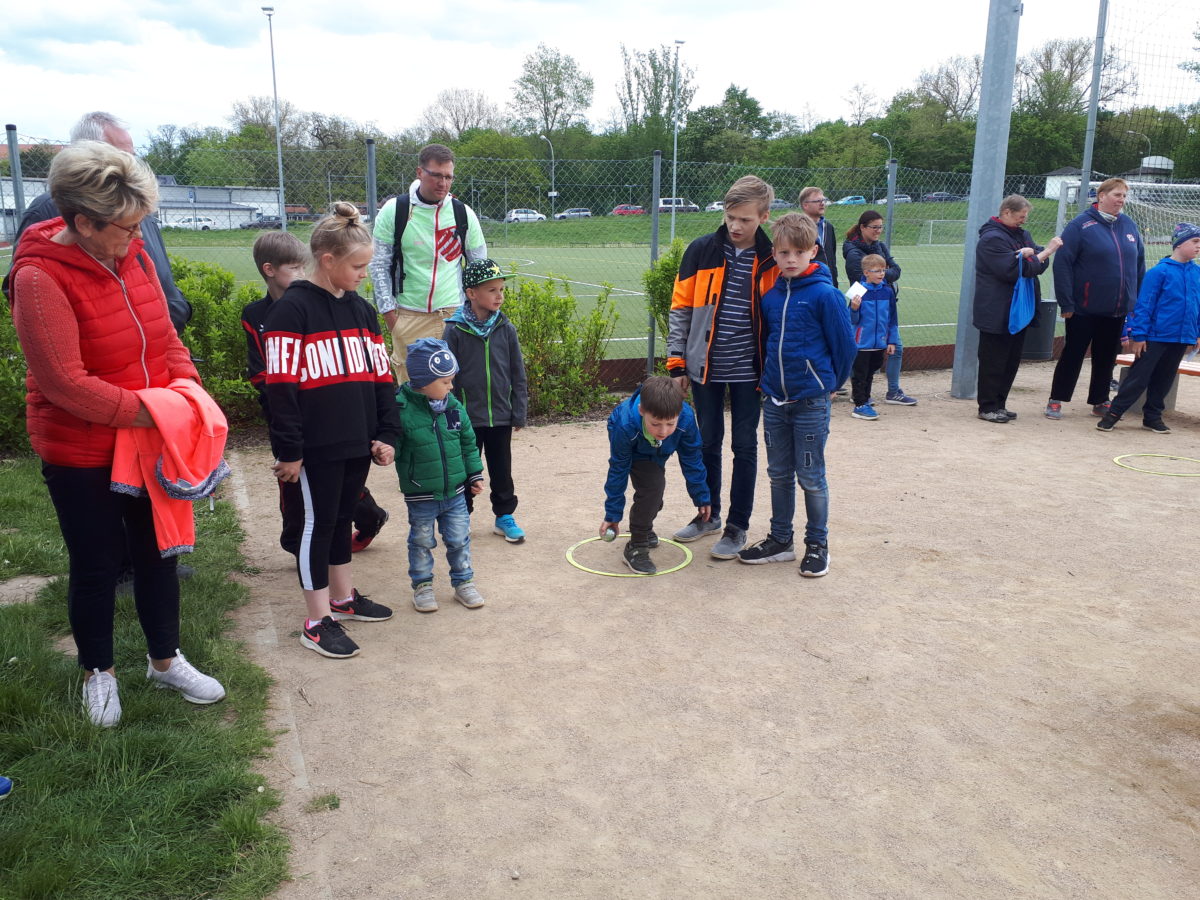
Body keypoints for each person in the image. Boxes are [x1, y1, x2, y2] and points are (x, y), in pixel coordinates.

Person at [9, 141, 225, 726]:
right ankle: (97, 673)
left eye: (140, 226)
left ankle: (164, 659)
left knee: (159, 553)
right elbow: (66, 384)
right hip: (82, 449)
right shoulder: (36, 277)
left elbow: (166, 341)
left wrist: (189, 393)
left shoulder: (134, 257)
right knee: (97, 563)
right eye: (125, 228)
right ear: (83, 222)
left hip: (150, 436)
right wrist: (160, 411)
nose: (136, 239)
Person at [263, 203, 400, 660]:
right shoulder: (292, 311)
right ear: (328, 261)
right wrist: (290, 450)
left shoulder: (362, 312)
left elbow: (382, 378)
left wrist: (387, 432)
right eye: (358, 266)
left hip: (355, 441)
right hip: (313, 448)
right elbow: (279, 390)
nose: (364, 274)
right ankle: (316, 620)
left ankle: (342, 599)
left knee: (343, 519)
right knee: (313, 528)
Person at [242, 232, 390, 553]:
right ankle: (298, 543)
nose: (301, 275)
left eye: (302, 267)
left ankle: (366, 519)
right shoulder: (258, 315)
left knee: (335, 485)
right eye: (294, 268)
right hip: (286, 417)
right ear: (269, 270)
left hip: (326, 423)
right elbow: (264, 374)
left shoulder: (340, 307)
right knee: (297, 485)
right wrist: (286, 418)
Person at [666, 175, 778, 560]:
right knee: (706, 443)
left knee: (744, 447)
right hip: (704, 370)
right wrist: (677, 363)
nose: (735, 226)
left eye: (745, 219)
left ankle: (737, 526)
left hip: (752, 373)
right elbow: (680, 309)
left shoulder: (773, 257)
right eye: (730, 216)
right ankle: (707, 514)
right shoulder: (701, 250)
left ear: (763, 216)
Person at [739, 214, 855, 577]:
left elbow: (845, 347)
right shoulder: (772, 297)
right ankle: (780, 540)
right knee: (778, 475)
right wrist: (769, 384)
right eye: (784, 252)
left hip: (810, 402)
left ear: (813, 252)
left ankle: (817, 544)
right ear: (774, 252)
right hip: (774, 400)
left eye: (799, 252)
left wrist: (830, 384)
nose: (791, 259)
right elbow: (767, 343)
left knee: (811, 476)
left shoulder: (826, 295)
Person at [8, 112, 192, 335]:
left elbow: (154, 266)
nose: (130, 167)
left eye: (132, 157)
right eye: (120, 157)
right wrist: (110, 328)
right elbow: (22, 290)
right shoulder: (48, 208)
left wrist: (177, 304)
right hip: (111, 349)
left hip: (158, 338)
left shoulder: (134, 199)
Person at [368, 144, 488, 384]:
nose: (443, 183)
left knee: (455, 391)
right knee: (413, 394)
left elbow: (479, 268)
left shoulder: (463, 214)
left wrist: (476, 314)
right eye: (436, 175)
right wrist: (392, 317)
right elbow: (378, 264)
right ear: (420, 172)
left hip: (455, 316)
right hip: (409, 315)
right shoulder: (395, 211)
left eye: (448, 177)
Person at [394, 338, 488, 612]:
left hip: (456, 493)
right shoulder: (400, 410)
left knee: (459, 539)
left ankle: (464, 583)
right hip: (420, 493)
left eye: (451, 381)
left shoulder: (454, 407)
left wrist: (474, 475)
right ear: (423, 382)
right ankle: (422, 587)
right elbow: (393, 447)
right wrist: (384, 452)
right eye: (445, 382)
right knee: (422, 541)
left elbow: (468, 443)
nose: (451, 387)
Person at [443, 258, 529, 544]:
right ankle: (461, 516)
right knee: (466, 469)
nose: (499, 295)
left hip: (501, 417)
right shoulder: (454, 330)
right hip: (466, 418)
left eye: (501, 289)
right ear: (471, 293)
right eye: (492, 290)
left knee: (502, 469)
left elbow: (518, 373)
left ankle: (504, 517)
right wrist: (452, 415)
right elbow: (447, 377)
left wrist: (518, 412)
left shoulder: (507, 329)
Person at [1046, 177, 1145, 420]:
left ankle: (1100, 400)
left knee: (1106, 357)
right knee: (1073, 354)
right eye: (1116, 195)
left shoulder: (1129, 225)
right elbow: (1063, 265)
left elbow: (1138, 265)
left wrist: (1136, 301)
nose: (1121, 200)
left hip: (1118, 309)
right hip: (1083, 308)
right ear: (1101, 196)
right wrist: (1067, 302)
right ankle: (1056, 399)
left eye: (1124, 196)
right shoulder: (1080, 225)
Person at [600, 376, 711, 575]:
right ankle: (637, 546)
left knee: (653, 497)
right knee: (653, 488)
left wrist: (701, 495)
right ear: (642, 410)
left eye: (670, 424)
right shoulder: (625, 426)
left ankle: (644, 526)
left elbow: (692, 459)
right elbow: (618, 471)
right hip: (635, 449)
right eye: (656, 423)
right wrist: (613, 515)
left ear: (678, 414)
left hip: (658, 450)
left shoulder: (685, 419)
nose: (663, 431)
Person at [1097, 223, 1200, 434]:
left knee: (1165, 378)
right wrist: (1140, 335)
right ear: (1179, 244)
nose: (1199, 247)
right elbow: (1144, 305)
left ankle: (1152, 417)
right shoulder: (1159, 272)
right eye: (1195, 242)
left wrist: (1197, 333)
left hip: (1180, 337)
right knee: (1139, 377)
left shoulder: (1196, 273)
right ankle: (1114, 414)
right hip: (1155, 336)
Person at [973, 195, 1063, 423]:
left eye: (1025, 217)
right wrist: (1045, 253)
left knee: (1011, 360)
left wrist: (1035, 257)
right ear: (1006, 212)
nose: (1024, 221)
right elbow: (1013, 269)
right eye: (1020, 217)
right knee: (993, 360)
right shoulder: (991, 238)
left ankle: (1000, 404)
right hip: (996, 310)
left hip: (1019, 309)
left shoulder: (1022, 234)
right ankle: (987, 407)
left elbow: (1036, 266)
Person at [842, 210, 916, 406]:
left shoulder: (879, 246)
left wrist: (881, 274)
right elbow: (860, 278)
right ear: (863, 227)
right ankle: (858, 394)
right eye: (874, 227)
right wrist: (881, 274)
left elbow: (896, 270)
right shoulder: (852, 251)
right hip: (863, 303)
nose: (878, 231)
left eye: (880, 227)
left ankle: (892, 391)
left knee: (894, 348)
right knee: (861, 356)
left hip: (883, 302)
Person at [847, 253, 900, 420]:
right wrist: (854, 308)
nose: (881, 274)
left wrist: (891, 340)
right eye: (876, 271)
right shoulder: (857, 290)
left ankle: (865, 399)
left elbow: (893, 318)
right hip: (862, 342)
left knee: (871, 372)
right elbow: (851, 319)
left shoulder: (887, 291)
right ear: (866, 272)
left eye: (883, 270)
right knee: (860, 374)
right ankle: (859, 404)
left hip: (881, 342)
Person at [798, 186, 840, 288]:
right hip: (807, 283)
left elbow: (832, 258)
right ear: (805, 205)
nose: (822, 203)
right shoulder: (797, 228)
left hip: (828, 282)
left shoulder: (828, 227)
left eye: (823, 200)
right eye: (817, 201)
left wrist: (834, 282)